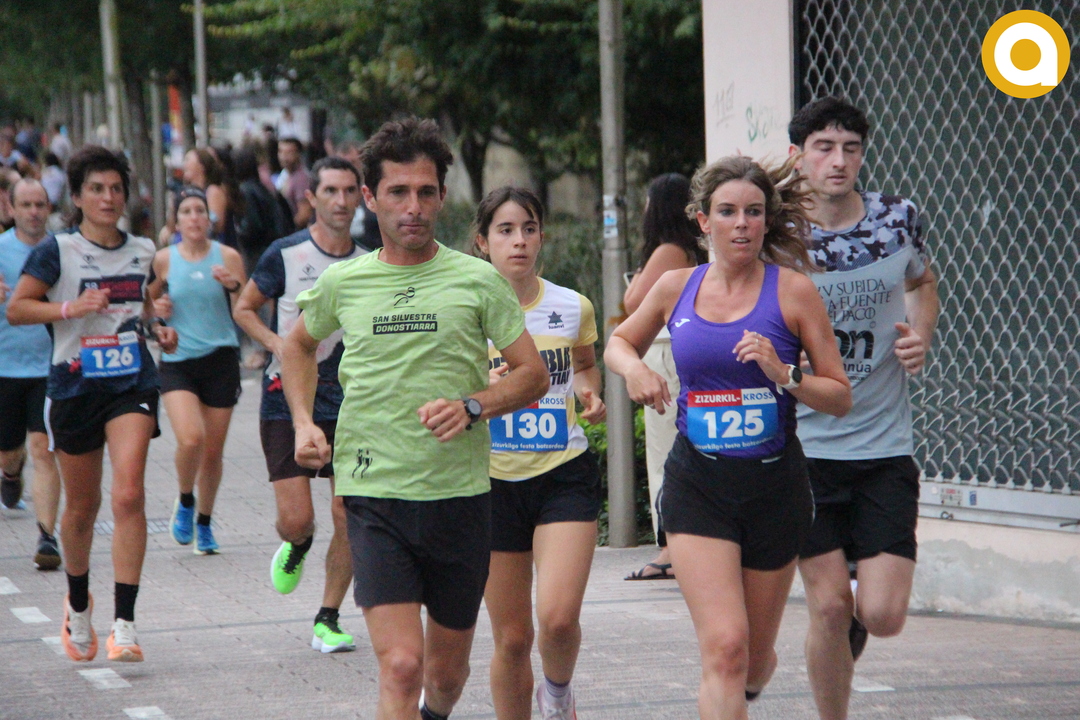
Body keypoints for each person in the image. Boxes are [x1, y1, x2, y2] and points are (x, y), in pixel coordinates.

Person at [279, 117, 549, 720]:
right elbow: (296, 347)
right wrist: (303, 422)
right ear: (370, 197)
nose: (413, 207)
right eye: (398, 192)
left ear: (443, 196)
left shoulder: (477, 280)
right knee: (402, 666)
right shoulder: (345, 281)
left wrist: (473, 405)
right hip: (374, 496)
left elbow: (532, 374)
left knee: (445, 676)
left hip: (460, 498)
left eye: (426, 192)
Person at [605, 155, 851, 720]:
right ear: (702, 221)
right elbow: (618, 342)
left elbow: (840, 396)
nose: (742, 223)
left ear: (767, 221)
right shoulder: (675, 286)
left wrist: (785, 375)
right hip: (699, 485)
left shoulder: (794, 293)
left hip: (774, 491)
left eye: (754, 212)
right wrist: (636, 370)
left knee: (754, 661)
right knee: (725, 648)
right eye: (727, 212)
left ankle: (747, 683)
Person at [787, 97, 939, 720]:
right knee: (827, 607)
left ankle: (854, 615)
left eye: (850, 148)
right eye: (823, 147)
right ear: (798, 156)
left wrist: (919, 333)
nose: (838, 161)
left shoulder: (897, 219)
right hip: (803, 449)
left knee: (882, 614)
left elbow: (921, 283)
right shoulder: (775, 233)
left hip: (883, 445)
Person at [6, 146, 179, 663]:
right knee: (82, 509)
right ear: (77, 198)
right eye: (97, 189)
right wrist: (70, 307)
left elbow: (139, 308)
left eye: (116, 189)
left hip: (131, 383)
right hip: (74, 386)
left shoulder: (144, 250)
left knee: (129, 494)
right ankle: (78, 603)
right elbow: (17, 308)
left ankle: (124, 625)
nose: (108, 198)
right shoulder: (57, 250)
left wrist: (158, 327)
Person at [473, 187, 605, 720]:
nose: (519, 241)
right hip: (490, 482)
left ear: (542, 237)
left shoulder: (572, 306)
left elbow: (585, 365)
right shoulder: (466, 310)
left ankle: (556, 693)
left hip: (562, 473)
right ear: (482, 242)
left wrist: (589, 393)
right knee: (510, 638)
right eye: (505, 231)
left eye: (528, 229)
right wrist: (481, 388)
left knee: (557, 618)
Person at [233, 156, 369, 654]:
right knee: (296, 519)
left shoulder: (370, 262)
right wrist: (278, 344)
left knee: (349, 511)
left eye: (349, 191)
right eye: (330, 191)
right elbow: (244, 308)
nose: (340, 201)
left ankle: (328, 617)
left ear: (362, 197)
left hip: (350, 400)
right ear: (311, 197)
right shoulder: (285, 254)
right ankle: (298, 543)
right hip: (286, 397)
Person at [149, 187, 246, 556]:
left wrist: (233, 286)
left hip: (221, 358)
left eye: (200, 210)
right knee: (191, 439)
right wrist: (158, 312)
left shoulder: (228, 256)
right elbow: (145, 304)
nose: (194, 217)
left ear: (210, 218)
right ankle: (186, 499)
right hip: (178, 360)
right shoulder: (164, 260)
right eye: (186, 211)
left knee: (213, 452)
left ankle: (204, 522)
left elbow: (245, 307)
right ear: (176, 221)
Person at [622, 172, 708, 581]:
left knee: (664, 452)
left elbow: (632, 301)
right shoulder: (688, 250)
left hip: (664, 354)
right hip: (673, 352)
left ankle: (670, 548)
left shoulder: (669, 251)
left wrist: (642, 266)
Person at [0, 178, 64, 570]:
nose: (34, 212)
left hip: (48, 365)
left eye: (40, 204)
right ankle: (10, 473)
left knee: (44, 448)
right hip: (5, 366)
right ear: (11, 208)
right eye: (26, 205)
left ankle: (47, 537)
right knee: (9, 453)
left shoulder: (60, 250)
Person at [276, 138, 312, 229]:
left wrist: (287, 230)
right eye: (281, 151)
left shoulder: (301, 179)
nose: (284, 157)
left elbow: (304, 214)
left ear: (298, 154)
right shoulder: (284, 174)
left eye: (289, 152)